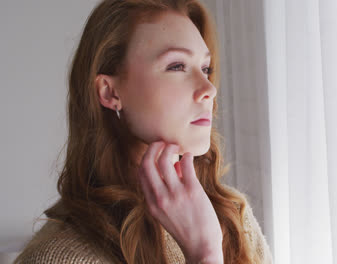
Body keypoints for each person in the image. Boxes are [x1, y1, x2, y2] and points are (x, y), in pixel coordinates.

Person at [13, 0, 273, 263]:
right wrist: (205, 255)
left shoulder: (233, 216)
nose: (209, 89)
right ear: (110, 92)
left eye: (205, 68)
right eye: (176, 66)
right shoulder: (58, 257)